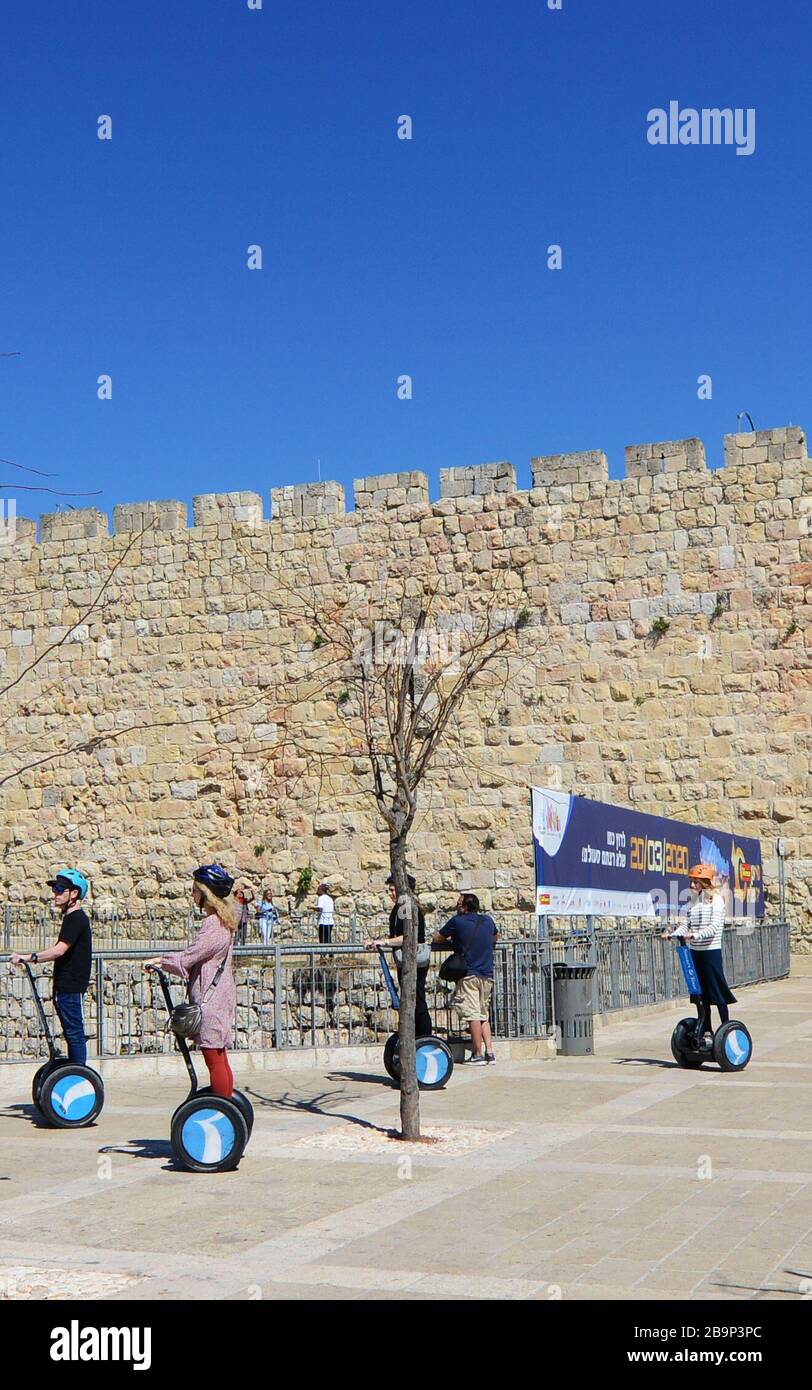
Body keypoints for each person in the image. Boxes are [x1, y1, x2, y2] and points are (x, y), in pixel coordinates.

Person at [144, 864, 238, 1099]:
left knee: (213, 1058)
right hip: (219, 996)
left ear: (205, 893)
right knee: (219, 1056)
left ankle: (222, 1110)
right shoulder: (222, 922)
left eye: (195, 890)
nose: (192, 894)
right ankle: (225, 1106)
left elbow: (191, 956)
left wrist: (159, 961)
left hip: (211, 1001)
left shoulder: (213, 924)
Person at [11, 869, 92, 1065]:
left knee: (75, 1033)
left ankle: (80, 1076)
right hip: (64, 986)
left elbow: (59, 950)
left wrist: (29, 957)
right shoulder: (71, 918)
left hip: (71, 988)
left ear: (73, 894)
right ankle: (75, 1071)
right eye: (55, 889)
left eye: (60, 889)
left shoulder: (77, 918)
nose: (55, 893)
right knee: (71, 1032)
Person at [662, 862, 736, 1043]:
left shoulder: (716, 901)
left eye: (695, 882)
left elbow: (714, 926)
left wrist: (694, 935)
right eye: (692, 882)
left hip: (710, 952)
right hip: (695, 952)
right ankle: (707, 1029)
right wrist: (672, 935)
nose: (692, 886)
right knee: (699, 993)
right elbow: (687, 925)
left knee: (716, 992)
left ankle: (726, 1028)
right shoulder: (693, 903)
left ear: (705, 882)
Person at [433, 892, 499, 1065]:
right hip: (487, 974)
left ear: (464, 907)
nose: (456, 906)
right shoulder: (488, 920)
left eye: (459, 903)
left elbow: (438, 938)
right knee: (483, 1015)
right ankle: (490, 1053)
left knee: (473, 1015)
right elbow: (495, 937)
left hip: (469, 974)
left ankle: (477, 1054)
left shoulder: (457, 921)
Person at [365, 873, 433, 1038]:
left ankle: (424, 1037)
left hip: (413, 961)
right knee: (412, 1000)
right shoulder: (401, 908)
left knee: (417, 1000)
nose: (390, 893)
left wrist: (383, 942)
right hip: (407, 961)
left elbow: (407, 936)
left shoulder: (406, 908)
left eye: (393, 890)